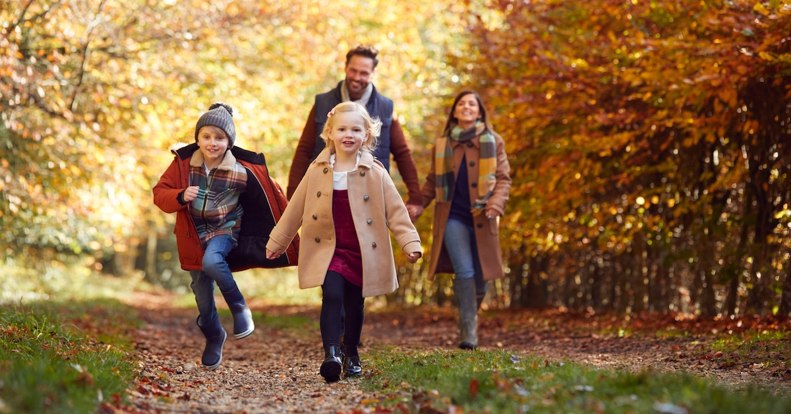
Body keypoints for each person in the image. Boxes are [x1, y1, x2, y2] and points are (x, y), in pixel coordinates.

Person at [266, 102, 422, 382]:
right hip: (329, 248)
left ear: (366, 135)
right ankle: (331, 354)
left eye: (355, 129)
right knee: (333, 295)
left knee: (354, 303)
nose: (348, 134)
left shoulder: (375, 172)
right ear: (330, 133)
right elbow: (296, 208)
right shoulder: (318, 170)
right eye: (342, 129)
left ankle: (351, 352)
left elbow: (396, 211)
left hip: (362, 250)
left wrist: (410, 243)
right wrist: (278, 241)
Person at [153, 103, 298, 370]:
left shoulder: (241, 171)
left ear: (229, 141)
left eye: (219, 138)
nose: (212, 143)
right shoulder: (183, 165)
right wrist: (180, 195)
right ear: (197, 138)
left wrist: (286, 230)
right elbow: (159, 192)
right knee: (202, 296)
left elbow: (269, 196)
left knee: (212, 261)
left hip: (225, 231)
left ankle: (240, 308)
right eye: (206, 136)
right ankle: (214, 335)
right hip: (193, 235)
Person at [417, 90, 511, 350]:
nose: (467, 107)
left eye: (472, 104)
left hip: (483, 215)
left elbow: (503, 178)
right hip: (452, 216)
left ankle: (468, 315)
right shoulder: (443, 144)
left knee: (482, 277)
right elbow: (432, 181)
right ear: (455, 111)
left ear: (479, 111)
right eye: (462, 104)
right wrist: (417, 206)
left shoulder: (493, 141)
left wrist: (495, 204)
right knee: (465, 270)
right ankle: (468, 331)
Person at [287, 45, 423, 220]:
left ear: (373, 74)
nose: (357, 77)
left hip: (370, 196)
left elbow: (402, 154)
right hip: (325, 192)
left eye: (364, 73)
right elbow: (304, 150)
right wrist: (291, 196)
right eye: (353, 70)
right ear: (345, 68)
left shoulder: (385, 108)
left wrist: (416, 198)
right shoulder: (323, 103)